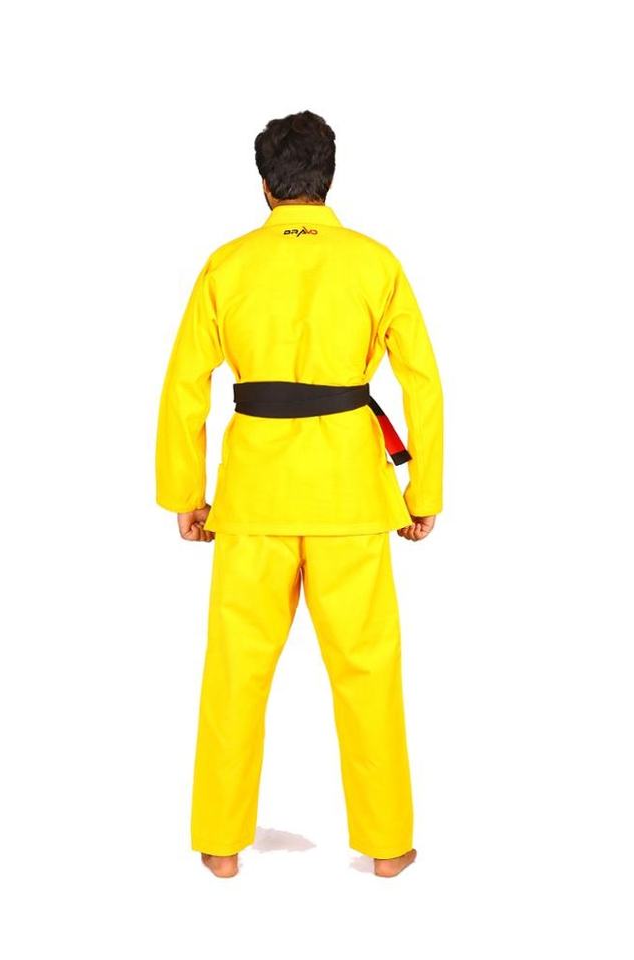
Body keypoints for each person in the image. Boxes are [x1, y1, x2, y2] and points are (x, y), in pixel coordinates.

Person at [155, 109, 443, 879]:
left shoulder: (227, 264)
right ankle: (388, 846)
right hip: (352, 495)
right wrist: (424, 491)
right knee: (367, 671)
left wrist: (186, 492)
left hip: (254, 498)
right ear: (330, 177)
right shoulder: (375, 263)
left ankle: (220, 844)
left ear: (264, 184)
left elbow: (185, 385)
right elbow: (422, 381)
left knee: (235, 672)